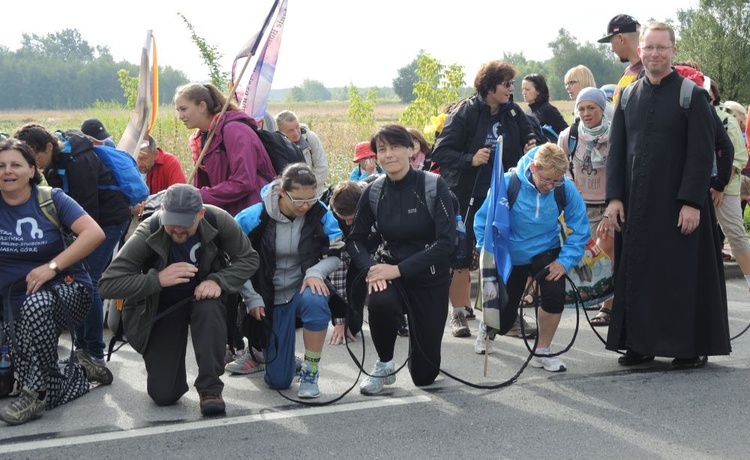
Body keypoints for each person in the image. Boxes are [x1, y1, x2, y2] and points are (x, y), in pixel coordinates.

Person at [604, 21, 730, 368]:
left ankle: (688, 347)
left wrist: (692, 201)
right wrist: (614, 198)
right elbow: (617, 151)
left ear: (673, 51)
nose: (655, 53)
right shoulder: (628, 95)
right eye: (649, 47)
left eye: (662, 47)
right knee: (639, 274)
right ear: (639, 49)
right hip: (637, 207)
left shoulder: (691, 95)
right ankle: (639, 344)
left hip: (678, 206)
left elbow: (703, 153)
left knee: (679, 278)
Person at [99, 184, 258, 415]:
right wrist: (157, 279)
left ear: (200, 214)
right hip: (162, 306)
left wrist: (217, 281)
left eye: (185, 222)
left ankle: (210, 388)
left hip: (203, 300)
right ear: (162, 212)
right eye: (172, 221)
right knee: (164, 396)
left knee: (209, 308)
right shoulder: (149, 230)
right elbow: (108, 284)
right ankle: (170, 378)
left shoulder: (217, 219)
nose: (178, 229)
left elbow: (249, 259)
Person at [0, 139, 109, 426]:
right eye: (0, 165)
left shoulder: (51, 199)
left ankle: (35, 395)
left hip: (65, 292)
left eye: (15, 165)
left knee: (34, 305)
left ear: (32, 169)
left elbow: (94, 234)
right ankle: (81, 372)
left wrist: (52, 266)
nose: (7, 171)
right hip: (11, 301)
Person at [431, 60, 537, 339]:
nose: (511, 89)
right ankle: (459, 314)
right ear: (489, 86)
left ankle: (506, 317)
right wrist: (471, 159)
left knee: (507, 253)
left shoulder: (513, 112)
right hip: (468, 195)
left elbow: (530, 135)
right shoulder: (465, 112)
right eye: (506, 83)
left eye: (512, 84)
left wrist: (530, 145)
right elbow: (440, 153)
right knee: (462, 256)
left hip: (504, 196)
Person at [347, 124, 456, 394]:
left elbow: (446, 243)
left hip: (429, 276)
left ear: (411, 149)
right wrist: (372, 269)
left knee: (424, 376)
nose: (388, 155)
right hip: (389, 270)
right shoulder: (373, 190)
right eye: (381, 149)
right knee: (380, 300)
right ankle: (384, 365)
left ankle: (422, 357)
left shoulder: (433, 185)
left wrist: (399, 270)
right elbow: (355, 239)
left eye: (395, 147)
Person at [14, 125, 131, 369]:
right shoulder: (54, 162)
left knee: (89, 281)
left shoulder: (79, 161)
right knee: (75, 280)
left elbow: (89, 212)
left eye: (33, 157)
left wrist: (71, 250)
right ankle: (82, 349)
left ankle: (95, 353)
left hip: (106, 222)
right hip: (85, 223)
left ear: (48, 147)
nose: (31, 163)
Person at [473, 143, 589, 367]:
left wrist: (564, 262)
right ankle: (489, 328)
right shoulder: (508, 184)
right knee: (504, 320)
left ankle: (542, 350)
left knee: (555, 296)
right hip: (510, 254)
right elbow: (482, 222)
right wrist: (485, 253)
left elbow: (580, 230)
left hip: (546, 250)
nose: (551, 186)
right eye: (546, 180)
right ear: (534, 168)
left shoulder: (564, 189)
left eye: (556, 181)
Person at [234, 163, 344, 399]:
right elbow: (233, 262)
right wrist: (250, 297)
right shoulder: (253, 217)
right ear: (282, 192)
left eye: (311, 199)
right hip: (267, 297)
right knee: (279, 382)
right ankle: (277, 360)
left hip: (301, 287)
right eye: (298, 201)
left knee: (317, 299)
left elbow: (336, 254)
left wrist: (316, 272)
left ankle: (311, 371)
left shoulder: (320, 213)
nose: (306, 206)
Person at [175, 83, 276, 217]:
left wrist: (201, 196)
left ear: (202, 106)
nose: (180, 116)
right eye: (178, 110)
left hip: (252, 214)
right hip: (228, 213)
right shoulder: (202, 138)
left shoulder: (234, 130)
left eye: (183, 109)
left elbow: (244, 182)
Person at [558, 87, 614, 326]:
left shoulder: (616, 135)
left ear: (602, 108)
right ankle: (597, 296)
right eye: (582, 108)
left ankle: (607, 308)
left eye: (591, 108)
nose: (586, 113)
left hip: (609, 205)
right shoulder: (568, 136)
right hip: (581, 207)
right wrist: (570, 184)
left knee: (604, 255)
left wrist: (614, 204)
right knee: (589, 256)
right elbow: (560, 167)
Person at [276, 111, 329, 197]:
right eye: (291, 130)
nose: (296, 133)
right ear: (281, 132)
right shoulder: (277, 146)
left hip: (316, 193)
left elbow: (322, 168)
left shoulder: (311, 138)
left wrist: (305, 189)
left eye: (297, 127)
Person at [598, 14, 643, 105]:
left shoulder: (650, 73)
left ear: (621, 39)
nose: (612, 49)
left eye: (611, 42)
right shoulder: (627, 71)